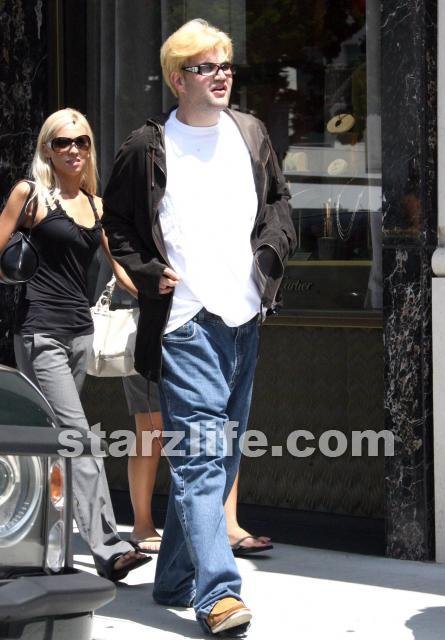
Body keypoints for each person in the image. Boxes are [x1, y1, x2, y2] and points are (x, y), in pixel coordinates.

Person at [103, 19, 296, 635]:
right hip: (186, 322)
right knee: (200, 460)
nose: (220, 75)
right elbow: (118, 223)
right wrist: (146, 272)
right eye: (205, 66)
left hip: (244, 317)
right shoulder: (148, 146)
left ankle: (172, 578)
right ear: (176, 78)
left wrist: (271, 252)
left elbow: (279, 204)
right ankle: (218, 593)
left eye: (225, 65)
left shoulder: (251, 133)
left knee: (222, 455)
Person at [0, 108, 151, 582]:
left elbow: (120, 268)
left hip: (81, 334)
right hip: (40, 332)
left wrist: (160, 293)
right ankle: (109, 547)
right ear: (47, 149)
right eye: (62, 142)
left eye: (81, 141)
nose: (73, 150)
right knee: (77, 437)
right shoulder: (30, 195)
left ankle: (41, 538)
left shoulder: (96, 205)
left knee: (54, 440)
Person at [109, 279, 273, 557]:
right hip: (152, 319)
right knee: (153, 429)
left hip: (211, 320)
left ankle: (228, 524)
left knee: (222, 427)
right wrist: (151, 289)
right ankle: (142, 524)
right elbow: (122, 261)